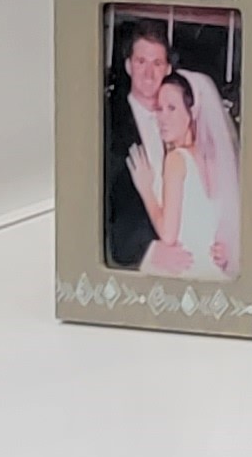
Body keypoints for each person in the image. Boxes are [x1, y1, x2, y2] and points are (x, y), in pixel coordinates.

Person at [131, 70, 239, 279]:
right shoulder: (217, 161)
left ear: (193, 111)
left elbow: (168, 235)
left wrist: (146, 192)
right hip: (213, 271)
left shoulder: (176, 161)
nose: (162, 117)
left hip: (184, 269)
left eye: (172, 108)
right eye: (160, 109)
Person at [99, 23, 171, 270]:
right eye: (141, 62)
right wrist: (147, 250)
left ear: (168, 69)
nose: (149, 74)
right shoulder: (106, 122)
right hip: (133, 258)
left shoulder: (183, 122)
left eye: (157, 64)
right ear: (129, 66)